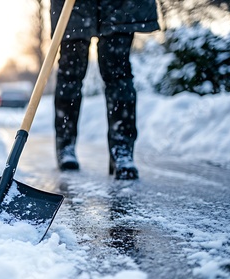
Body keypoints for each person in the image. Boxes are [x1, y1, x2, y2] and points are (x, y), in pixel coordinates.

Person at [50, 0, 159, 179]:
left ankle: (122, 150)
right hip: (73, 5)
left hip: (118, 4)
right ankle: (65, 145)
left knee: (118, 72)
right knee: (70, 74)